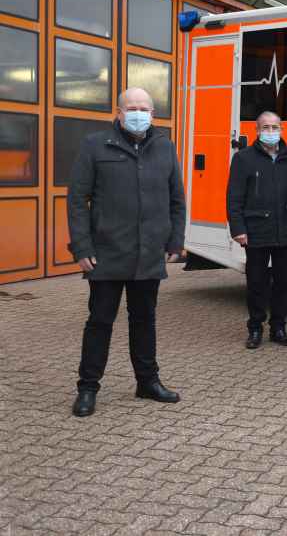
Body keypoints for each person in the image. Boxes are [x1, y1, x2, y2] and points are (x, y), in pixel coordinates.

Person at [67, 87, 186, 417]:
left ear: (153, 114)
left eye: (144, 108)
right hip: (105, 253)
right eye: (131, 107)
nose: (138, 113)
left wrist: (175, 241)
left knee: (144, 320)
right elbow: (77, 200)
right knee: (100, 321)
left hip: (149, 254)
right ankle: (88, 388)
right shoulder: (95, 145)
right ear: (118, 113)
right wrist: (82, 246)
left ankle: (147, 382)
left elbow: (177, 200)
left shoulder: (164, 147)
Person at [227, 111, 287, 349]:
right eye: (266, 127)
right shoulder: (243, 159)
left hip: (284, 230)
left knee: (283, 284)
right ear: (256, 131)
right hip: (255, 232)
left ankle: (279, 328)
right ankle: (255, 329)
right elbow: (234, 198)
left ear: (282, 130)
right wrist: (238, 229)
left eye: (275, 127)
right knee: (256, 284)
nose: (271, 132)